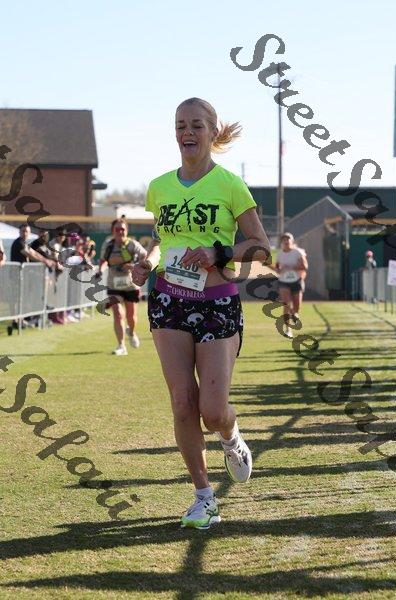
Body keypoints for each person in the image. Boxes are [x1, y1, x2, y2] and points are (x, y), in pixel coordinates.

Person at [127, 97, 270, 529]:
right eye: (180, 125)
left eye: (195, 125)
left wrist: (217, 252)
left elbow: (261, 248)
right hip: (168, 300)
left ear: (211, 131)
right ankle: (204, 496)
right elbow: (162, 241)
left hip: (217, 301)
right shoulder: (159, 187)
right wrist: (147, 263)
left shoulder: (230, 185)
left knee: (212, 410)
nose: (186, 132)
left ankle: (230, 434)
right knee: (182, 402)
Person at [98, 218, 146, 355]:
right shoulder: (108, 245)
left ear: (127, 230)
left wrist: (135, 265)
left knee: (131, 317)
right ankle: (121, 346)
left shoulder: (133, 244)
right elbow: (103, 260)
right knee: (118, 314)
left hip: (131, 285)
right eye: (117, 229)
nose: (120, 232)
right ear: (112, 231)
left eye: (122, 229)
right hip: (114, 285)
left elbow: (144, 256)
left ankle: (131, 332)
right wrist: (100, 270)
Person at [275, 232, 308, 338]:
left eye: (288, 239)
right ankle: (288, 329)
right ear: (281, 242)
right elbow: (277, 268)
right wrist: (279, 269)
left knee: (296, 307)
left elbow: (305, 266)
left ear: (292, 241)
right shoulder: (279, 254)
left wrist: (293, 268)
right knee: (286, 304)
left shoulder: (298, 252)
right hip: (284, 281)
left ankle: (295, 314)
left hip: (296, 280)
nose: (286, 241)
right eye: (284, 240)